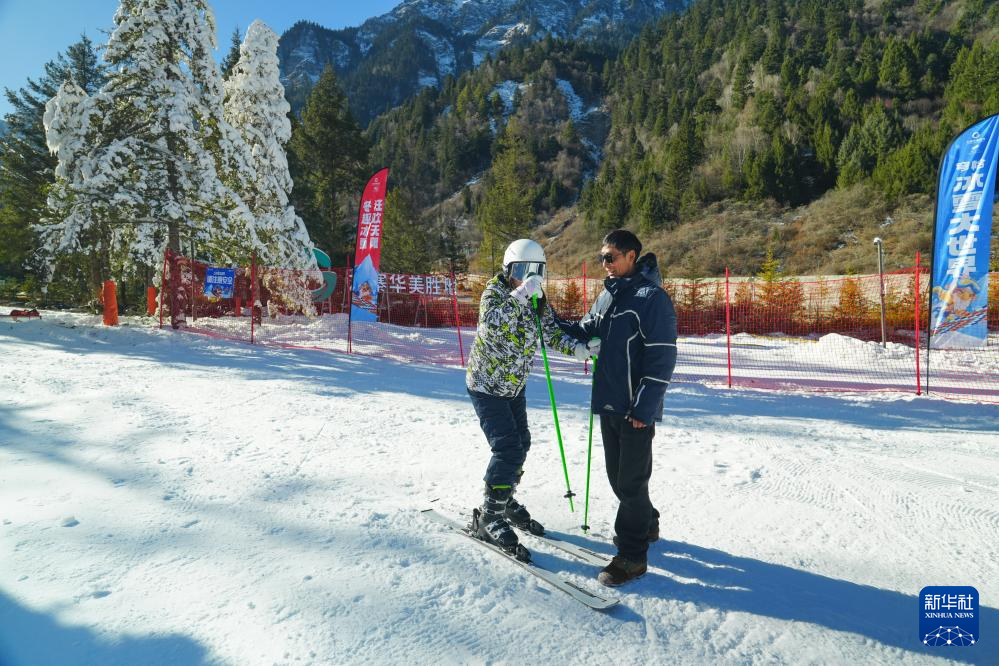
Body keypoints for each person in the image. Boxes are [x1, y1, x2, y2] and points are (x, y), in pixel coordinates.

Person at [558, 229, 677, 586]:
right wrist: (544, 314)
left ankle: (632, 555)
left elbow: (662, 357)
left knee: (630, 482)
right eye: (601, 258)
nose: (605, 264)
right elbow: (583, 330)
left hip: (634, 408)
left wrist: (644, 408)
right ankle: (647, 522)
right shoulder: (608, 295)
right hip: (609, 401)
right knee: (620, 478)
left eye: (610, 257)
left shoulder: (652, 298)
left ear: (631, 256)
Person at [466, 239, 598, 556]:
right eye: (522, 270)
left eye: (536, 270)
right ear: (508, 269)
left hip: (514, 386)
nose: (529, 277)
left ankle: (503, 498)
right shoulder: (495, 293)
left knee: (521, 443)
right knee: (507, 448)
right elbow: (493, 324)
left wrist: (579, 349)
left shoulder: (537, 298)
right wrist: (521, 295)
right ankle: (490, 516)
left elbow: (550, 332)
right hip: (487, 386)